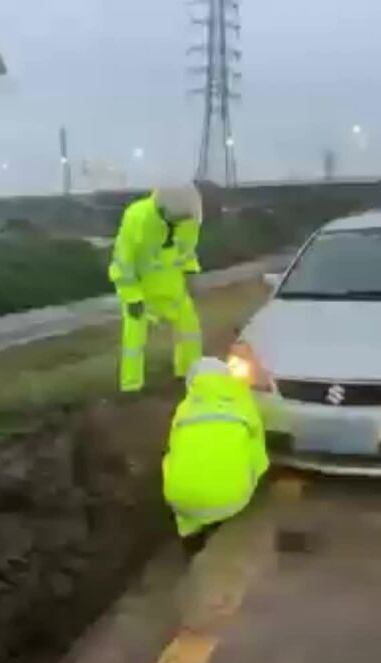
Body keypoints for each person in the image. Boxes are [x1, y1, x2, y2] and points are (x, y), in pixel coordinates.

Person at [162, 357, 269, 560]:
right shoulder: (244, 403)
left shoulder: (183, 409)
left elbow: (175, 449)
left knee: (178, 458)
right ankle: (221, 524)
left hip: (181, 501)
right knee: (251, 452)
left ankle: (190, 539)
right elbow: (260, 455)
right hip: (230, 502)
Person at [108, 183, 205, 392]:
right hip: (142, 291)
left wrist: (191, 274)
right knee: (134, 341)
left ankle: (189, 376)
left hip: (174, 288)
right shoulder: (137, 217)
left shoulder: (188, 216)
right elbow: (122, 264)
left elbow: (187, 252)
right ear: (164, 212)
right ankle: (131, 386)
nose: (183, 222)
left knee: (191, 332)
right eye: (179, 219)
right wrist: (132, 297)